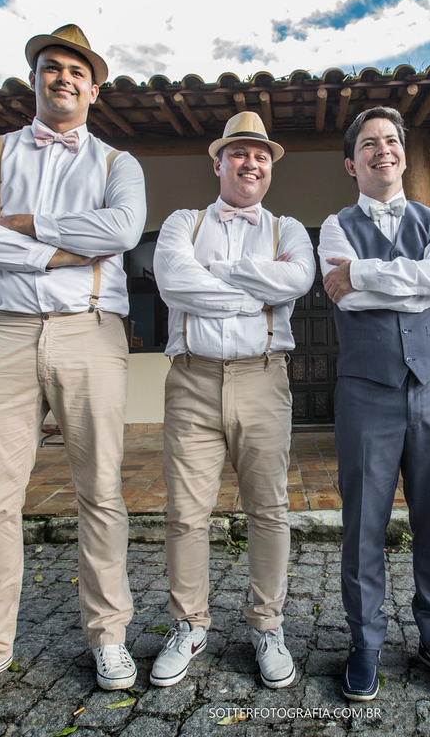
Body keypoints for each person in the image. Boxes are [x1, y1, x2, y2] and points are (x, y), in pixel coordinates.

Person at [0, 24, 146, 712]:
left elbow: (121, 233)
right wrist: (53, 251)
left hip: (91, 333)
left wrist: (20, 224)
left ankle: (108, 635)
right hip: (5, 334)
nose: (64, 79)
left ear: (95, 86)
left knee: (101, 493)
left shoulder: (118, 164)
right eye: (52, 68)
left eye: (78, 72)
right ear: (36, 77)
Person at [318, 106, 430, 703]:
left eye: (391, 141)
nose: (382, 150)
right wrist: (404, 283)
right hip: (368, 390)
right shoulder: (333, 227)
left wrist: (364, 275)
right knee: (363, 523)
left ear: (404, 155)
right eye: (369, 144)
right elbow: (346, 299)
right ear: (351, 162)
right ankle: (364, 642)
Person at [150, 112, 315, 690]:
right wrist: (254, 293)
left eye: (261, 155)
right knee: (186, 513)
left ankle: (267, 626)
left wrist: (215, 277)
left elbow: (297, 281)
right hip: (191, 379)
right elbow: (174, 283)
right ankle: (188, 626)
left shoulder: (289, 229)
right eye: (239, 154)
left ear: (270, 167)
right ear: (217, 162)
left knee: (268, 510)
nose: (251, 164)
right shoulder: (183, 222)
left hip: (263, 378)